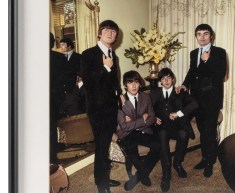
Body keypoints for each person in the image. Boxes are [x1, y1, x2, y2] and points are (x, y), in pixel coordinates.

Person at [176, 24, 227, 178]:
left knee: (209, 132)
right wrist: (185, 84)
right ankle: (205, 158)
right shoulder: (194, 53)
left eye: (206, 34)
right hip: (196, 99)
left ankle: (210, 163)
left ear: (211, 36)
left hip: (212, 100)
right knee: (202, 130)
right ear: (196, 36)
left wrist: (207, 61)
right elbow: (192, 72)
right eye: (199, 34)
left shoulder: (219, 52)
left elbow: (221, 74)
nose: (202, 37)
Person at [80, 20, 122, 193]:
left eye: (113, 31)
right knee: (102, 145)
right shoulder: (88, 54)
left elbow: (114, 81)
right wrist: (105, 67)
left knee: (105, 146)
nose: (110, 33)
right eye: (106, 29)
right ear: (99, 33)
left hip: (111, 107)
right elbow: (87, 83)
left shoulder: (114, 55)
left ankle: (102, 177)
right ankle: (102, 185)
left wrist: (120, 93)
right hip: (97, 109)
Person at [150, 68, 198, 192]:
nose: (166, 80)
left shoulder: (180, 92)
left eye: (169, 78)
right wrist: (154, 118)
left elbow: (194, 104)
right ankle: (166, 173)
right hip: (161, 126)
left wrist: (179, 113)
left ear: (173, 79)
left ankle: (177, 162)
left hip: (177, 125)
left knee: (183, 134)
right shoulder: (154, 93)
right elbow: (147, 109)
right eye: (163, 78)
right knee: (162, 135)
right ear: (160, 81)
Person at [116, 70, 161, 191]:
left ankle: (139, 176)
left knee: (158, 145)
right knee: (131, 150)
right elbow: (124, 127)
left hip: (143, 131)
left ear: (140, 84)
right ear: (125, 85)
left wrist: (137, 122)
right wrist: (143, 120)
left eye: (136, 82)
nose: (134, 85)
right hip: (127, 134)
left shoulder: (146, 97)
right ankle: (143, 174)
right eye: (130, 83)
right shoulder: (119, 101)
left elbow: (152, 118)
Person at [50, 32, 67, 163]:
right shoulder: (60, 57)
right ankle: (52, 154)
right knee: (52, 124)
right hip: (56, 97)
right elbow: (64, 80)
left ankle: (52, 150)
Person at [58, 37, 85, 117]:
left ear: (69, 46)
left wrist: (79, 77)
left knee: (76, 111)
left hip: (76, 88)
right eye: (60, 45)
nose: (61, 47)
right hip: (64, 90)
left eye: (63, 45)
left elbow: (82, 71)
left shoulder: (79, 57)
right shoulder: (59, 58)